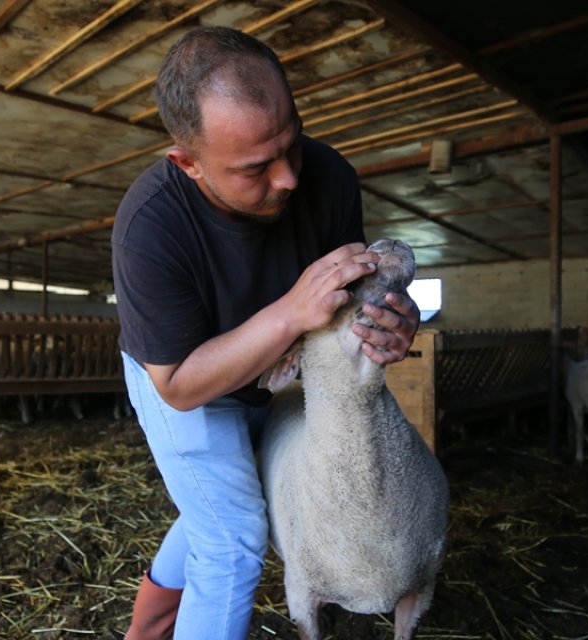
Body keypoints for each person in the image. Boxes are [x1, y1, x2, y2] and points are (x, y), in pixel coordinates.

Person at [111, 27, 420, 639]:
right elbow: (178, 385)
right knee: (232, 536)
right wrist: (288, 314)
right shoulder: (149, 226)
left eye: (292, 144)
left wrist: (388, 321)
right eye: (255, 167)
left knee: (221, 503)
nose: (287, 179)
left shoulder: (328, 176)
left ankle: (145, 631)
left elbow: (342, 306)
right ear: (188, 162)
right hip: (180, 375)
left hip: (276, 368)